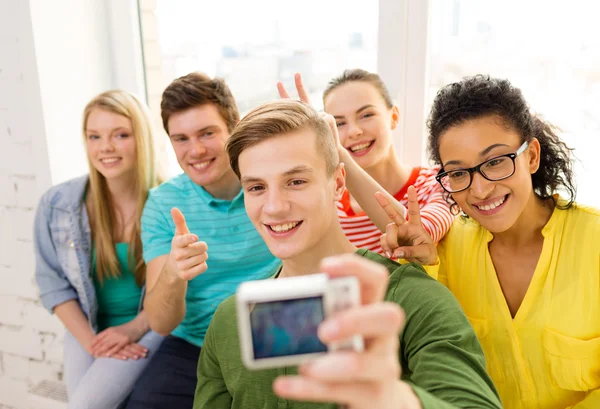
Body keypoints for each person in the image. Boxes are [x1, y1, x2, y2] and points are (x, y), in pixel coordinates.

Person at [193, 99, 503, 409]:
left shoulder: (413, 300)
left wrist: (396, 401)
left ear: (338, 183)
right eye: (257, 188)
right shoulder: (228, 321)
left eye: (296, 181)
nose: (274, 207)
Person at [378, 75, 600, 409]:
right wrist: (424, 270)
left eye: (495, 162)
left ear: (532, 156)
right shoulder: (442, 256)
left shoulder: (593, 242)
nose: (479, 190)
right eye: (458, 172)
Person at [124, 72, 279, 408]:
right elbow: (162, 323)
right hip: (194, 344)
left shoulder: (271, 188)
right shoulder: (164, 204)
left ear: (234, 126)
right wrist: (173, 274)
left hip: (273, 335)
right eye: (180, 138)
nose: (195, 150)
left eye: (207, 133)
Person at [34, 90, 164, 409]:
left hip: (150, 325)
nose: (105, 147)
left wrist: (134, 329)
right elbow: (52, 284)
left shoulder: (169, 203)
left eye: (120, 135)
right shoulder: (59, 204)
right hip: (90, 327)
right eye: (94, 136)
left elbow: (181, 292)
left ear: (142, 139)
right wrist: (94, 344)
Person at [278, 70, 454, 254]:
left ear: (393, 117)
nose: (354, 131)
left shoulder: (440, 181)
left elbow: (416, 236)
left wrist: (338, 152)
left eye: (366, 115)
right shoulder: (329, 200)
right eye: (339, 124)